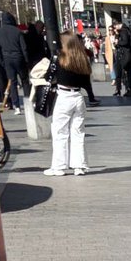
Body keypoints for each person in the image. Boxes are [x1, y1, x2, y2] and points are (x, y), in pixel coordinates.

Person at [45, 30, 94, 177]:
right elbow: (86, 82)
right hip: (78, 97)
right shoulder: (82, 59)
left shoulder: (59, 58)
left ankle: (59, 167)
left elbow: (48, 77)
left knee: (60, 132)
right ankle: (79, 166)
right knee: (78, 132)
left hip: (64, 96)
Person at [0, 12, 29, 112]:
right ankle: (28, 102)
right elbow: (24, 48)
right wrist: (26, 60)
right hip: (19, 57)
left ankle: (16, 106)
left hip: (7, 59)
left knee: (12, 82)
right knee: (25, 80)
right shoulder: (17, 31)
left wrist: (2, 61)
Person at [111, 12, 131, 97]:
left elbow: (125, 42)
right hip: (128, 54)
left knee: (125, 72)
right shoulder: (127, 29)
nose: (115, 28)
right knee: (127, 72)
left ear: (118, 24)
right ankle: (130, 90)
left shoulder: (123, 31)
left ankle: (130, 89)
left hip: (125, 55)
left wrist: (117, 43)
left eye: (115, 26)